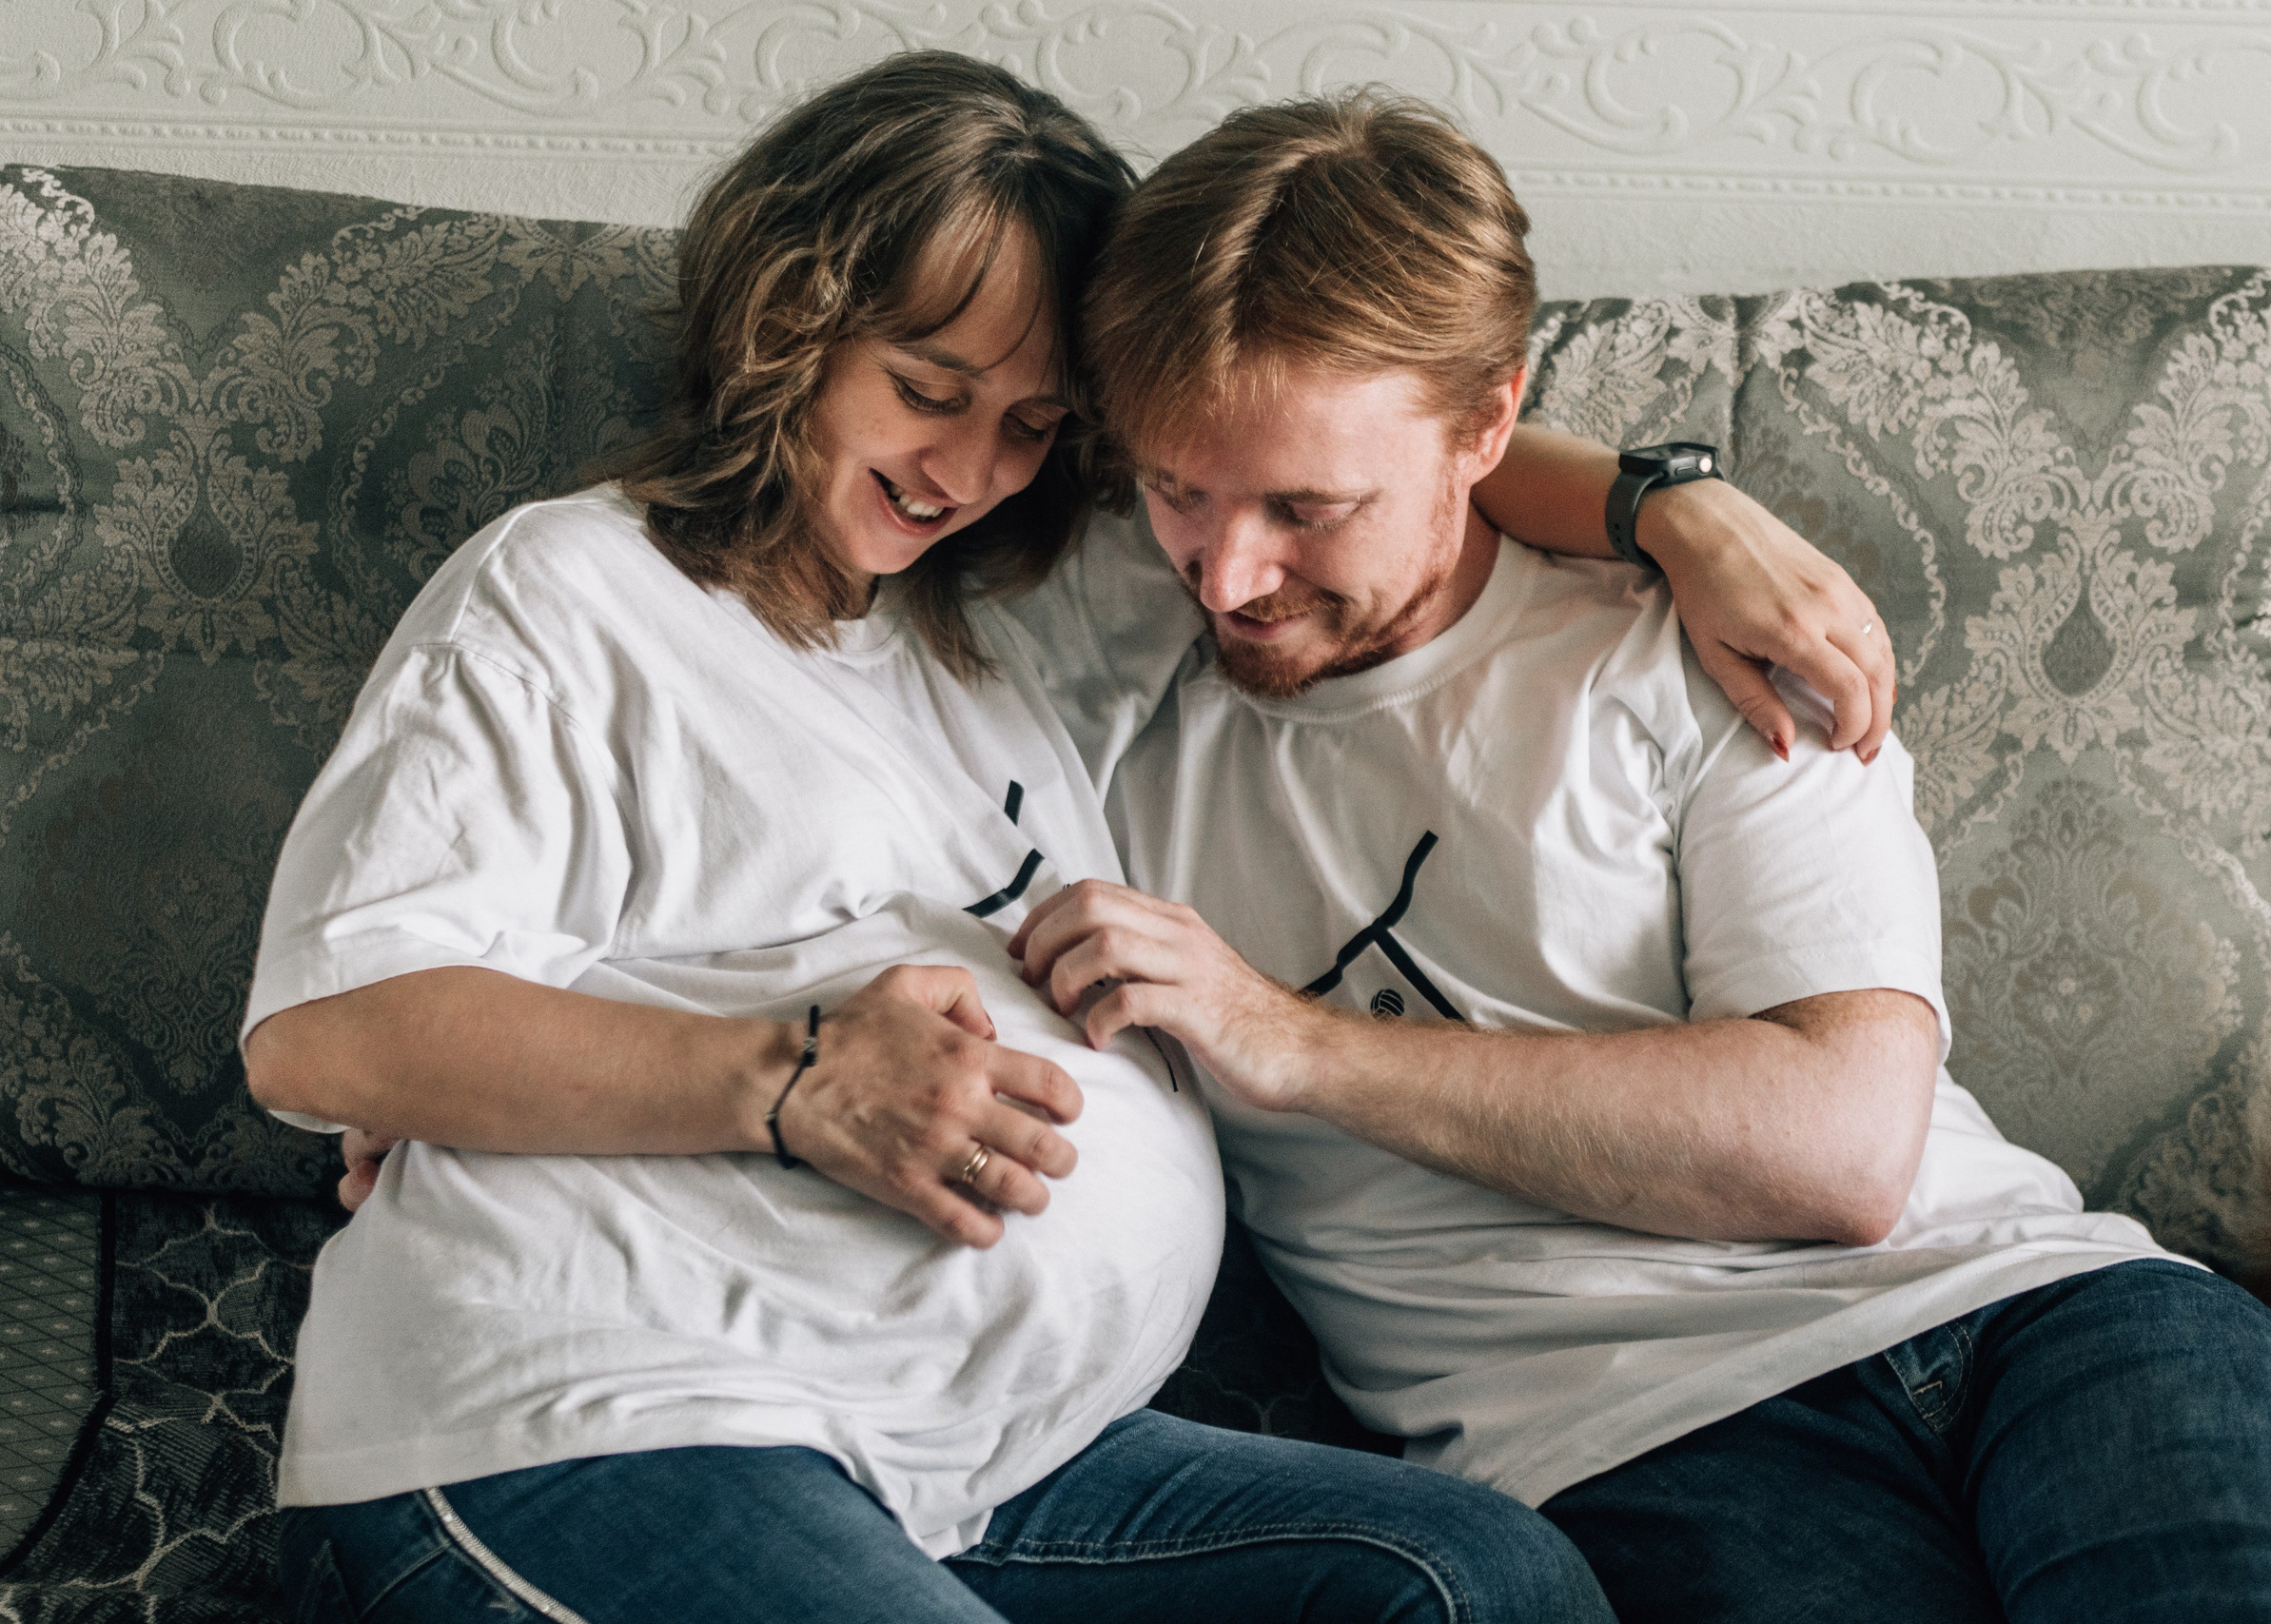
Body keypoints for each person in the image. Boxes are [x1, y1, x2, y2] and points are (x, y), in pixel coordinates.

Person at [241, 52, 1874, 1624]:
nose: (965, 471)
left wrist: (1676, 508)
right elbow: (332, 1029)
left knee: (1472, 1584)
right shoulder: (575, 594)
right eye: (928, 393)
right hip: (599, 1412)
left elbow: (1353, 453)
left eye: (1032, 426)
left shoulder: (1018, 608)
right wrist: (788, 1075)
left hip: (972, 1464)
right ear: (786, 321)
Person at [1005, 91, 2271, 1622]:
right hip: (1627, 1443)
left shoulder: (1705, 652)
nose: (1228, 573)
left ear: (1488, 425)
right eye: (1177, 489)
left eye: (1310, 508)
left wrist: (1287, 1043)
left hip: (2039, 1315)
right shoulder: (1088, 655)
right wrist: (1662, 494)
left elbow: (1840, 1148)